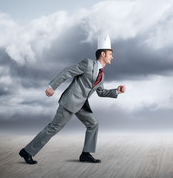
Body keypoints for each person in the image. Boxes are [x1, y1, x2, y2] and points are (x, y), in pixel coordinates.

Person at [19, 35, 126, 164]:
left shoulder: (101, 76)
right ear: (102, 54)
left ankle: (86, 154)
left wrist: (116, 91)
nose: (112, 57)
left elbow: (101, 92)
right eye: (110, 54)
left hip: (81, 104)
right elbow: (67, 72)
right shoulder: (87, 64)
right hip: (70, 101)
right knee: (54, 127)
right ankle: (27, 151)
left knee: (93, 124)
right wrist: (52, 86)